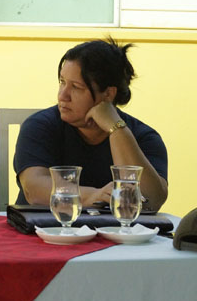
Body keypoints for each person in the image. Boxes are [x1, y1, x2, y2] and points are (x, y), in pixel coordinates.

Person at [13, 38, 168, 211]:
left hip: (118, 236)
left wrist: (116, 129)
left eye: (76, 87)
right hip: (44, 233)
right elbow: (34, 189)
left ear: (108, 94)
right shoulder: (40, 126)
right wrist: (93, 196)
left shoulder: (143, 137)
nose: (63, 95)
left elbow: (151, 200)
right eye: (62, 82)